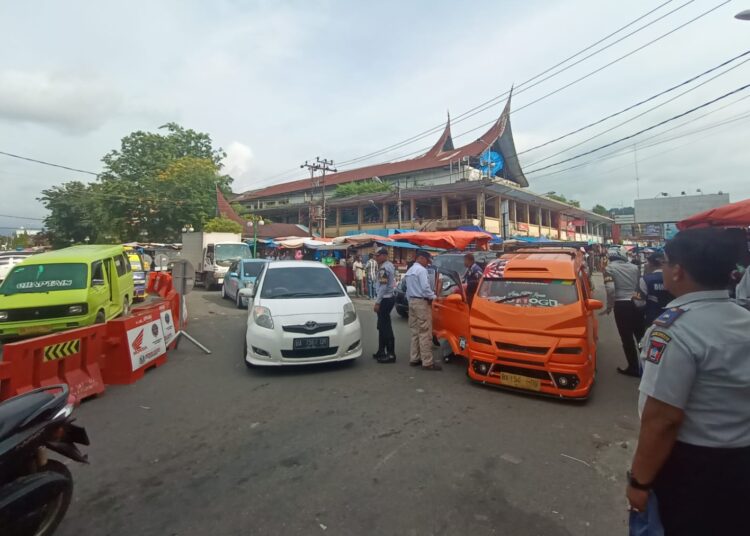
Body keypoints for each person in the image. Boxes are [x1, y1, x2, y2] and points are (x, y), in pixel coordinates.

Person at [626, 228, 750, 535]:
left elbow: (663, 419)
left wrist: (639, 483)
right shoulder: (742, 318)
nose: (663, 268)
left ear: (678, 270)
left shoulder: (675, 330)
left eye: (666, 262)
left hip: (694, 466)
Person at [603, 245, 645, 377]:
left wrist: (609, 306)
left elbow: (610, 289)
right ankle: (649, 366)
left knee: (627, 338)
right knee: (640, 336)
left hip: (621, 305)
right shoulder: (634, 267)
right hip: (636, 303)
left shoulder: (609, 269)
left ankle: (633, 367)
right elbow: (639, 286)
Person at [405, 250, 440, 370]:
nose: (427, 263)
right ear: (421, 258)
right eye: (427, 260)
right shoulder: (421, 270)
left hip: (412, 302)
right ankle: (427, 362)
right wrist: (434, 297)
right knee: (425, 332)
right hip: (421, 303)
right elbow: (425, 288)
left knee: (415, 332)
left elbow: (407, 290)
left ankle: (414, 358)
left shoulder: (410, 271)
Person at [635, 253, 673, 327]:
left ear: (651, 264)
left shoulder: (645, 279)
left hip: (652, 319)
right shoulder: (674, 278)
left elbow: (638, 302)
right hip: (673, 318)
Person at [373, 247, 397, 363]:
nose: (375, 258)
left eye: (377, 255)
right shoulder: (389, 265)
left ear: (383, 255)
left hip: (385, 299)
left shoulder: (384, 268)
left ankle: (391, 354)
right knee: (381, 326)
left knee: (385, 327)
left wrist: (377, 302)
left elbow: (382, 287)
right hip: (388, 298)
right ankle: (381, 351)